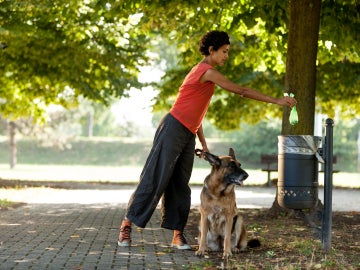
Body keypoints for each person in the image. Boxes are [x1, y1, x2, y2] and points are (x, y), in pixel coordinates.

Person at [118, 30, 297, 249]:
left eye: (228, 52)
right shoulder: (206, 71)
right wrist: (277, 101)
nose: (226, 56)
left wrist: (202, 143)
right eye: (224, 51)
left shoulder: (207, 76)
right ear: (211, 50)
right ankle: (126, 226)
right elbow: (241, 90)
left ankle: (177, 234)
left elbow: (197, 113)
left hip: (187, 133)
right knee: (155, 177)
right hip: (172, 128)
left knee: (180, 183)